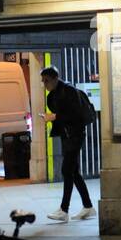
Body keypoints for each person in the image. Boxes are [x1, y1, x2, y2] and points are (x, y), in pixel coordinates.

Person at [41, 65, 96, 223]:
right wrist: (52, 117)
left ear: (55, 78)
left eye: (47, 80)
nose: (45, 84)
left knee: (66, 170)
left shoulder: (68, 90)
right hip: (67, 136)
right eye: (43, 81)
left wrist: (54, 117)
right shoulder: (53, 94)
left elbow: (75, 115)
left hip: (75, 136)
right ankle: (88, 207)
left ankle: (64, 210)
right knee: (74, 172)